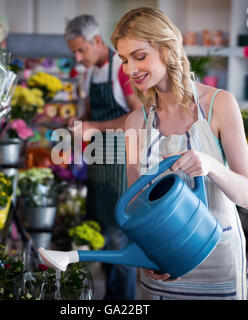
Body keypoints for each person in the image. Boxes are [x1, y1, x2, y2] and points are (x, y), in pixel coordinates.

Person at [111, 7, 248, 300]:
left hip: (219, 266)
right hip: (163, 270)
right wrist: (146, 252)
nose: (130, 69)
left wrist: (212, 166)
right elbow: (136, 207)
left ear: (167, 50)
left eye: (139, 56)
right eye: (125, 60)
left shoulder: (219, 105)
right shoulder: (135, 122)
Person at [64, 14, 142, 300]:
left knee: (120, 243)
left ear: (97, 41)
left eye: (81, 49)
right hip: (98, 164)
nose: (77, 56)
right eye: (73, 51)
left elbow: (138, 115)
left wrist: (94, 127)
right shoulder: (90, 73)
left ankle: (122, 302)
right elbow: (89, 114)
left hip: (121, 166)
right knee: (103, 236)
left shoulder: (120, 70)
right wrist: (78, 122)